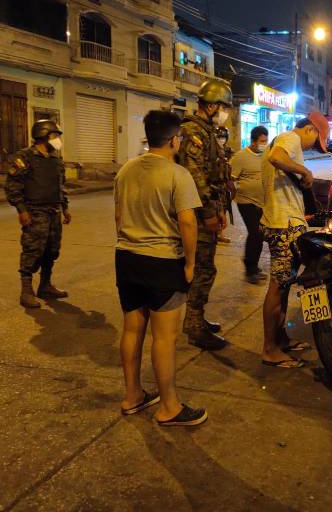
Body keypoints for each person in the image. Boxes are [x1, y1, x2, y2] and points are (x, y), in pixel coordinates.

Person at [114, 110, 206, 427]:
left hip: (127, 257)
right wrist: (190, 263)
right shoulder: (177, 174)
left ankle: (132, 395)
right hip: (163, 261)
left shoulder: (126, 170)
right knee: (164, 338)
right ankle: (169, 406)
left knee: (131, 329)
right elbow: (188, 222)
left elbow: (118, 215)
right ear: (174, 140)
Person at [261, 112, 329, 368]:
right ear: (310, 129)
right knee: (278, 288)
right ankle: (269, 350)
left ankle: (281, 340)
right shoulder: (290, 138)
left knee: (285, 285)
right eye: (316, 142)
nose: (312, 148)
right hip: (284, 225)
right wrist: (304, 170)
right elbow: (276, 158)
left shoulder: (284, 140)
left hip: (283, 222)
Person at [178, 79, 232, 350]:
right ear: (212, 106)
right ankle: (194, 325)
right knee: (203, 270)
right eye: (224, 107)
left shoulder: (207, 130)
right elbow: (194, 176)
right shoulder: (192, 131)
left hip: (207, 209)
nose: (225, 113)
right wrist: (210, 212)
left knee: (204, 267)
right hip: (197, 214)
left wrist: (219, 208)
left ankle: (196, 318)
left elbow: (214, 175)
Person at [5, 119, 72, 308]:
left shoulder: (56, 160)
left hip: (54, 211)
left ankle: (45, 286)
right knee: (33, 250)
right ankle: (26, 292)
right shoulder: (24, 157)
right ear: (43, 135)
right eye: (55, 135)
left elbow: (60, 186)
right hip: (35, 211)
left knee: (52, 250)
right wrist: (21, 210)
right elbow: (13, 186)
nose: (58, 139)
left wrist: (65, 207)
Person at [230, 125, 269, 283]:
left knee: (260, 234)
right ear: (253, 141)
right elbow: (230, 178)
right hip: (246, 201)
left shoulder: (265, 155)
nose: (264, 144)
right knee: (255, 233)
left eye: (266, 141)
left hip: (262, 203)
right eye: (262, 141)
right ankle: (250, 269)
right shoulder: (240, 156)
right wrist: (232, 195)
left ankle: (254, 266)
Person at [215, 126, 234, 245]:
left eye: (223, 137)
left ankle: (220, 233)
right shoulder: (212, 149)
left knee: (224, 207)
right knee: (216, 209)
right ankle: (216, 232)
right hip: (215, 184)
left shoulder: (228, 151)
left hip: (225, 184)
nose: (221, 139)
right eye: (219, 137)